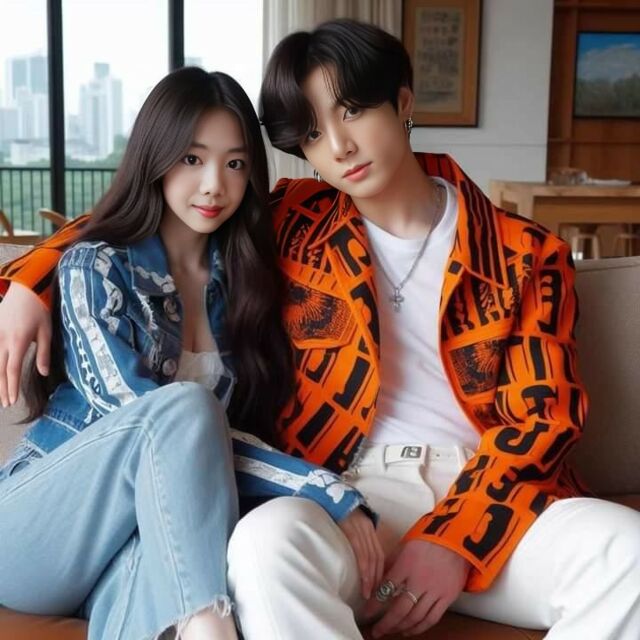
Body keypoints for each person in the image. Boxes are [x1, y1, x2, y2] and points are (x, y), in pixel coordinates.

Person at [1, 19, 639, 640]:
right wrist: (32, 277)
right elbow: (153, 212)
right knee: (262, 546)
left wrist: (455, 538)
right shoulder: (294, 223)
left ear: (403, 103)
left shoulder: (525, 253)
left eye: (352, 112)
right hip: (345, 489)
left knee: (629, 555)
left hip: (487, 498)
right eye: (311, 132)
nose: (339, 147)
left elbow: (542, 418)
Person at [0, 66, 382, 640]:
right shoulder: (95, 266)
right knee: (185, 407)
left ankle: (201, 626)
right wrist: (322, 488)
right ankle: (209, 620)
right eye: (191, 159)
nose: (213, 186)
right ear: (156, 159)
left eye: (235, 164)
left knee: (161, 561)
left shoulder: (245, 285)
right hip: (34, 530)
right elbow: (153, 426)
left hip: (133, 536)